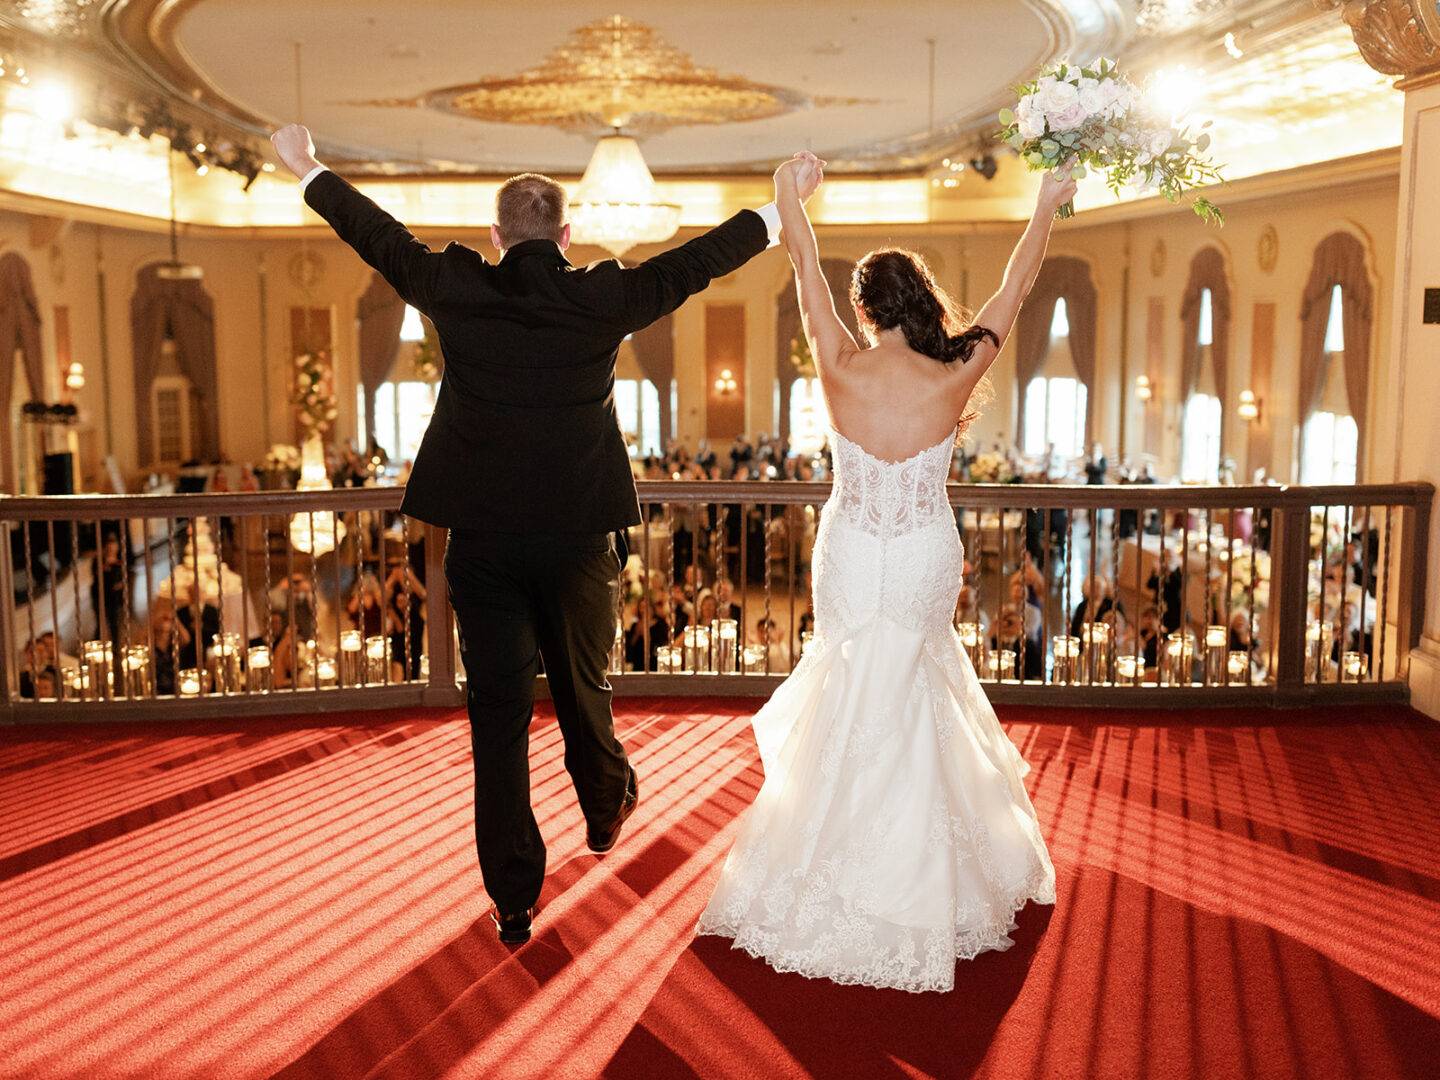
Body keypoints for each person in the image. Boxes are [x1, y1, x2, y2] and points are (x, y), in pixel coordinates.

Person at [272, 121, 790, 945]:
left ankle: (514, 899)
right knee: (585, 687)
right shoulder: (601, 296)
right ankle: (604, 802)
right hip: (581, 533)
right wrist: (775, 211)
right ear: (566, 233)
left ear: (496, 235)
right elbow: (694, 264)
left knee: (499, 713)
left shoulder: (456, 286)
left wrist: (309, 167)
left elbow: (377, 237)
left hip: (481, 540)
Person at [697, 152, 1067, 991]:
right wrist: (1045, 203)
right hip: (925, 550)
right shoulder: (954, 368)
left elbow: (801, 266)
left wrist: (791, 198)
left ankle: (830, 860)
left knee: (852, 683)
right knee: (918, 685)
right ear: (921, 303)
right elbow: (1015, 288)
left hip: (856, 549)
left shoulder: (840, 364)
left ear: (866, 310)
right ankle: (928, 872)